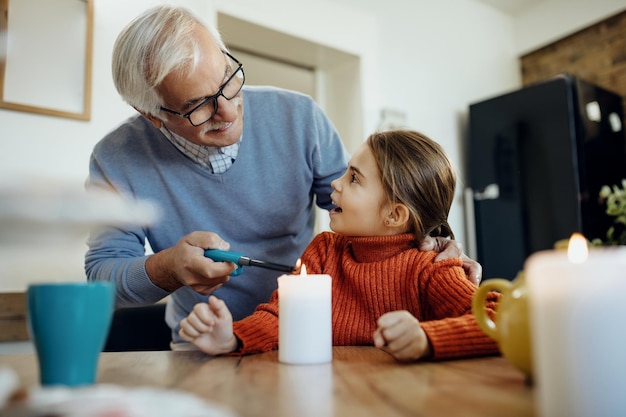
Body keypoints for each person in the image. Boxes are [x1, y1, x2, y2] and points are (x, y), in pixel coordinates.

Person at [85, 5, 481, 345]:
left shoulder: (301, 117)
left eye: (227, 79)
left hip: (298, 334)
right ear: (153, 115)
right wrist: (168, 267)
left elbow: (380, 212)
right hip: (202, 342)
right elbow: (103, 279)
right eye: (198, 106)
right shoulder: (115, 160)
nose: (227, 110)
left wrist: (437, 241)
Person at [179, 130, 500, 361]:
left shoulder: (431, 267)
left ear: (394, 214)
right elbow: (282, 317)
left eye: (354, 178)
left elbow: (500, 317)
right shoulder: (323, 250)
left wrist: (428, 340)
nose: (335, 183)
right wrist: (232, 337)